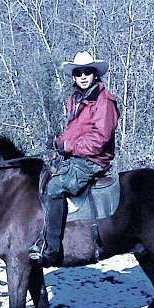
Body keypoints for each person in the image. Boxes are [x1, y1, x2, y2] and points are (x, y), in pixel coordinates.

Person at [28, 51, 120, 266]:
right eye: (79, 73)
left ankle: (50, 249)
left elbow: (100, 138)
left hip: (93, 159)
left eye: (88, 72)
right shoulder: (76, 99)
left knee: (55, 188)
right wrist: (59, 143)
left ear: (95, 74)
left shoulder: (103, 101)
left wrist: (68, 146)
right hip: (77, 155)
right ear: (74, 76)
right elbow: (74, 131)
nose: (83, 76)